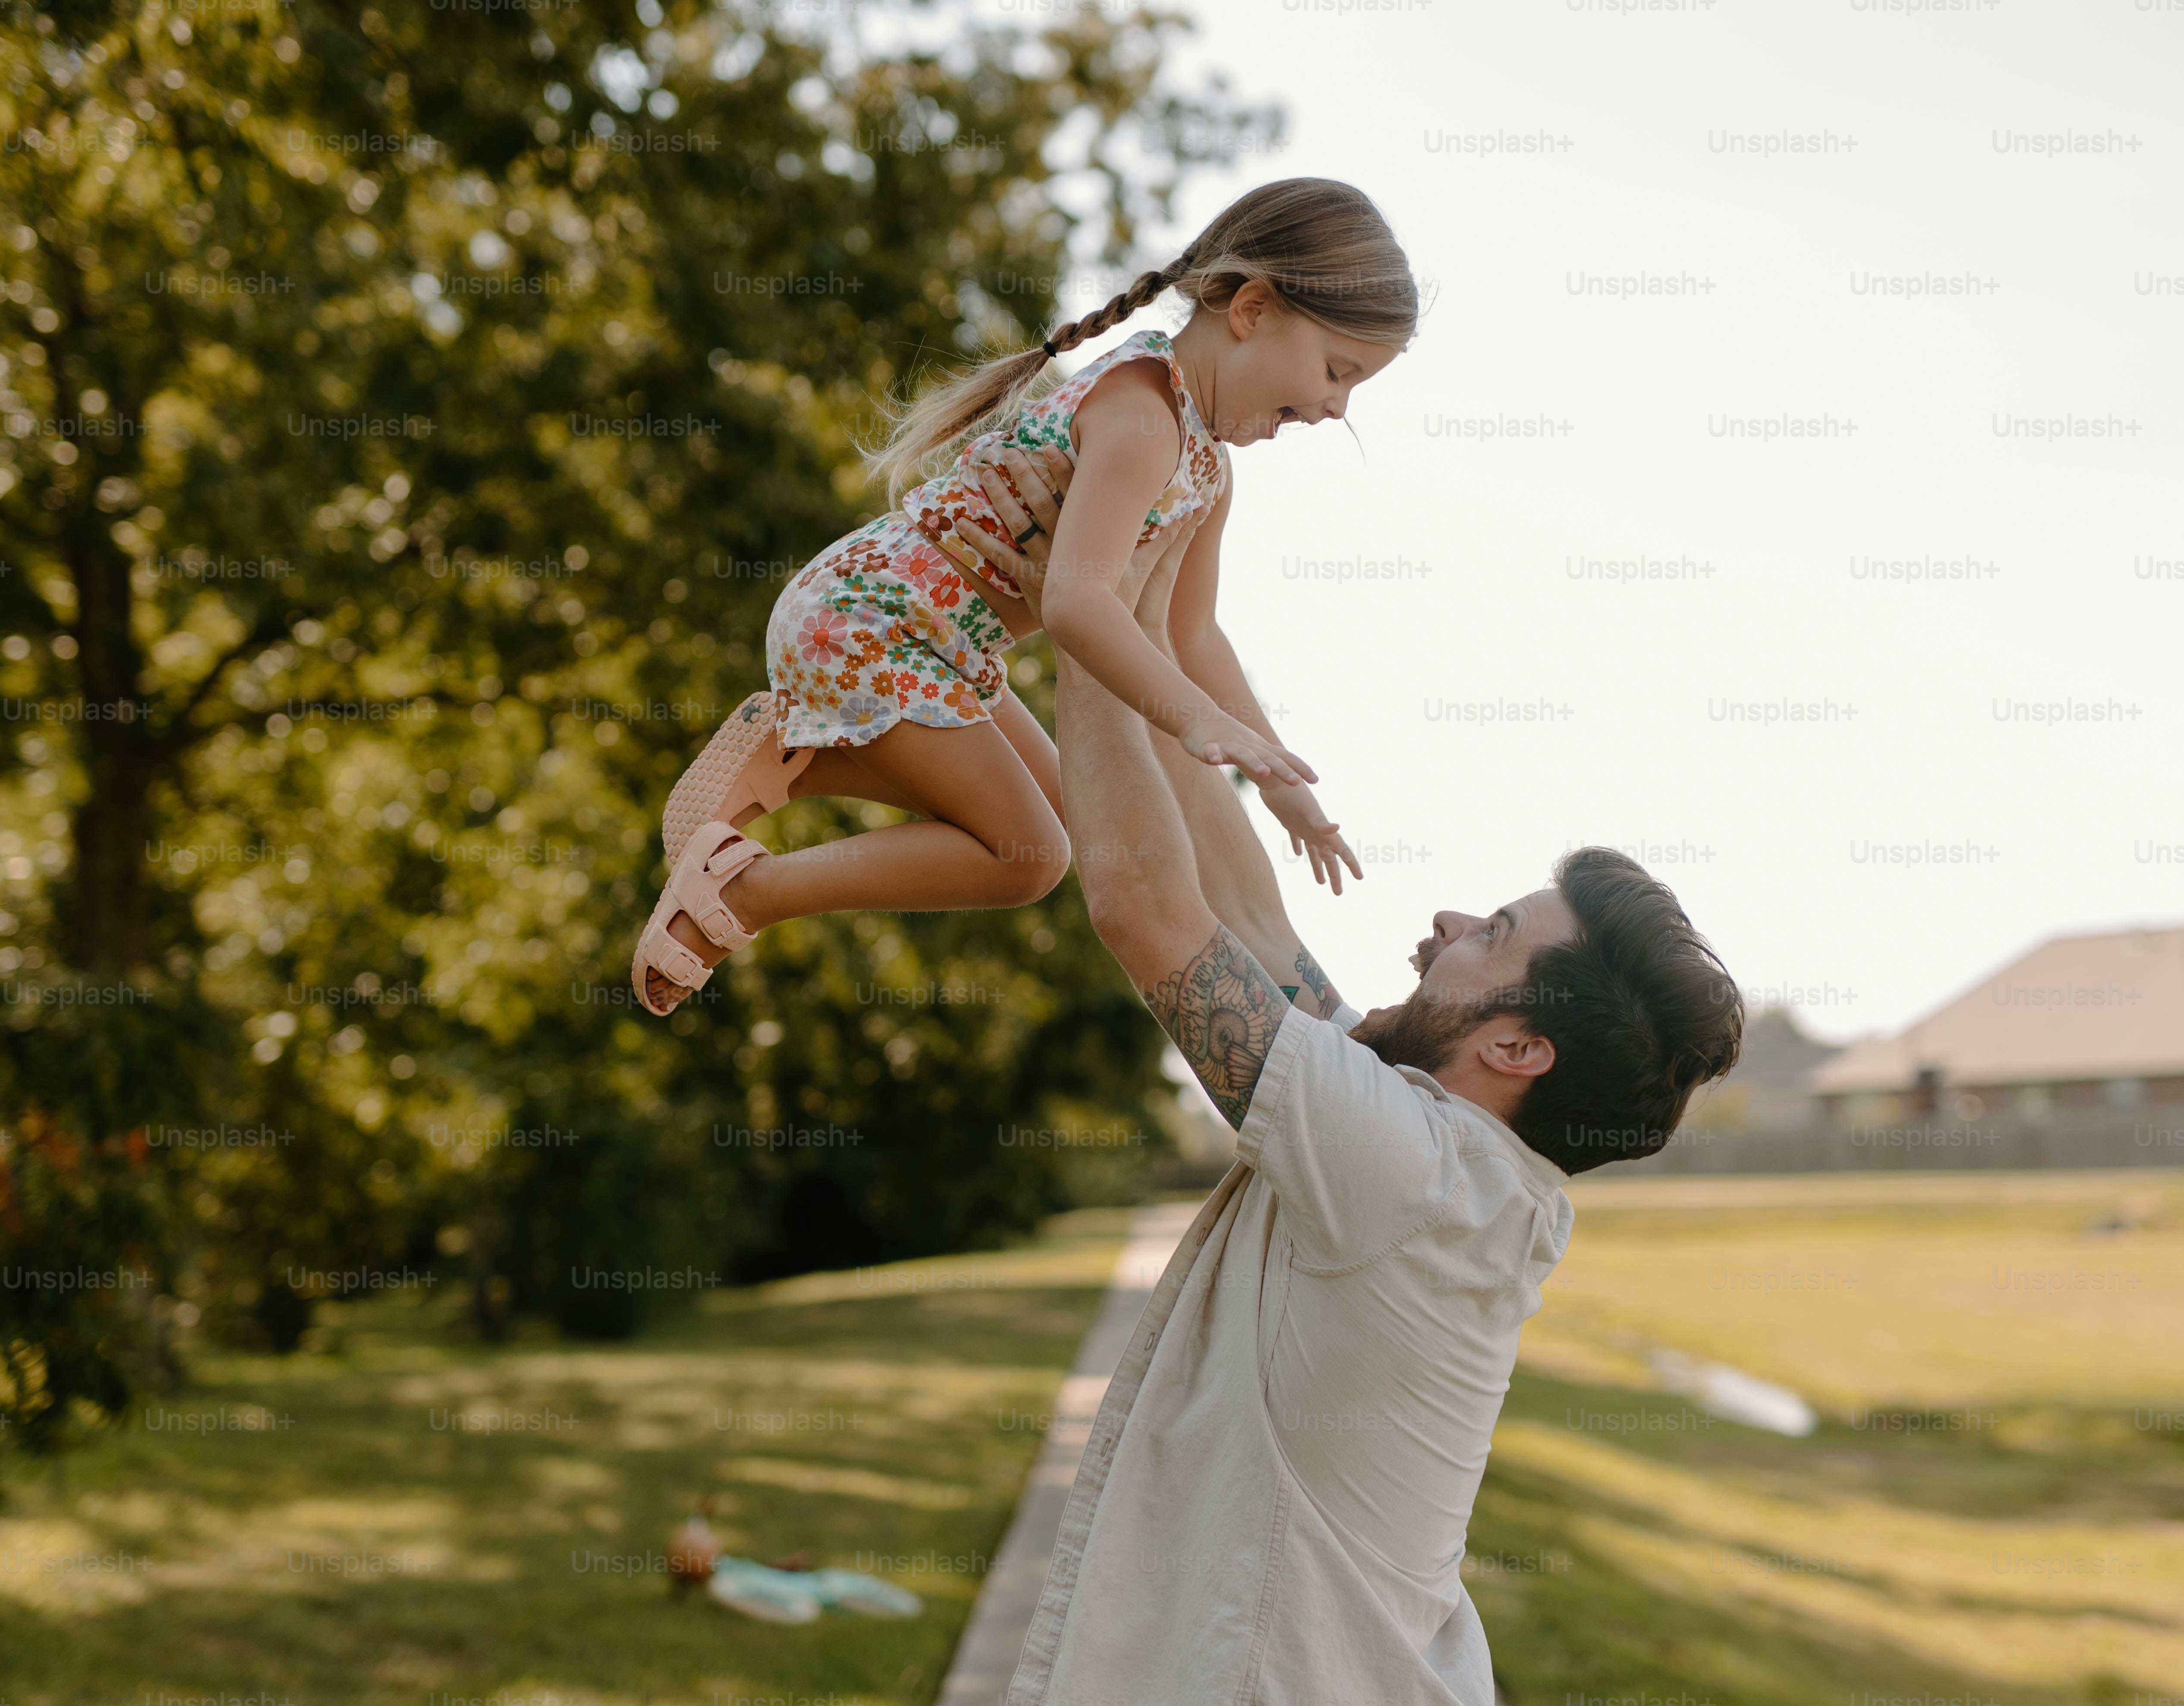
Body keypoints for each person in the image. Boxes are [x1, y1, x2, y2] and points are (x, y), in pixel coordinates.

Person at [954, 460, 1747, 1706]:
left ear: (1518, 1049)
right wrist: (1139, 610)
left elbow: (1145, 907)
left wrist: (1086, 603)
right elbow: (1248, 914)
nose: (1443, 918)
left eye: (1492, 929)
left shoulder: (1411, 1169)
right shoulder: (1443, 1156)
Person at [632, 178, 1417, 1014]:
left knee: (1068, 816)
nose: (1336, 407)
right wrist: (1192, 720)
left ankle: (807, 754)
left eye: (1354, 388)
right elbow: (1078, 604)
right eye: (1338, 371)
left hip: (936, 644)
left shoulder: (1207, 468)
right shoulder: (1143, 411)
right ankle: (744, 890)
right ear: (1253, 309)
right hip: (872, 620)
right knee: (1027, 858)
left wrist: (1287, 790)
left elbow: (1195, 637)